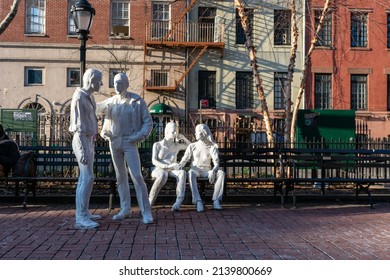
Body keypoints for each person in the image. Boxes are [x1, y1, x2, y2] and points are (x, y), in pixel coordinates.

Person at [97, 73, 154, 224]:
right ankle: (125, 209)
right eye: (115, 83)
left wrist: (138, 136)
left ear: (127, 84)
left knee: (136, 175)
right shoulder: (111, 102)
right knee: (120, 177)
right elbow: (103, 119)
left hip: (130, 141)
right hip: (114, 142)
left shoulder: (136, 101)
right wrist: (104, 133)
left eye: (120, 83)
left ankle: (146, 211)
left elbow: (148, 122)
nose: (117, 86)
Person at [69, 68, 103, 229]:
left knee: (88, 177)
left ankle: (84, 212)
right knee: (86, 178)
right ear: (91, 80)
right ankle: (80, 216)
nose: (101, 83)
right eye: (99, 80)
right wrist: (82, 149)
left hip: (88, 139)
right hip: (81, 139)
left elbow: (91, 119)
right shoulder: (78, 97)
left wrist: (93, 134)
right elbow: (77, 125)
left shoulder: (89, 97)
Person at [179, 124, 225, 212]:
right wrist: (179, 166)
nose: (195, 134)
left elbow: (216, 163)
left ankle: (216, 200)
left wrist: (213, 170)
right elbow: (184, 160)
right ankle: (198, 201)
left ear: (203, 133)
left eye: (197, 132)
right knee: (191, 172)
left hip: (207, 171)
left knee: (221, 173)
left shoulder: (212, 147)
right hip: (196, 170)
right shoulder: (192, 146)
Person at [148, 121, 190, 212]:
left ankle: (178, 202)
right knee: (163, 175)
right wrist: (167, 166)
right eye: (173, 131)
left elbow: (191, 146)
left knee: (182, 173)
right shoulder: (157, 145)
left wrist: (183, 137)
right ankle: (150, 200)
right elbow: (154, 161)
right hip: (159, 169)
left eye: (176, 131)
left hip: (172, 169)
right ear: (166, 131)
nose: (175, 133)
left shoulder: (177, 146)